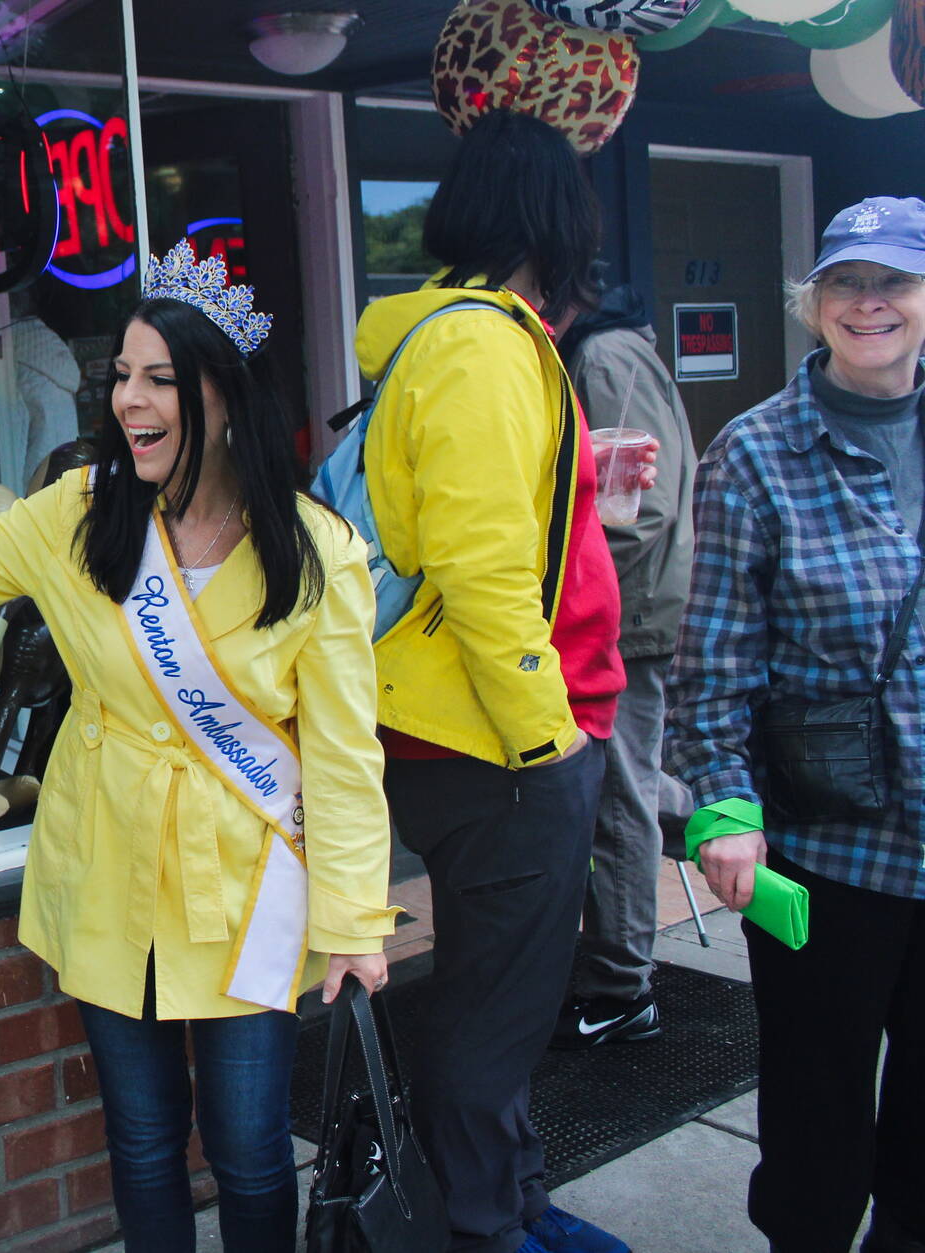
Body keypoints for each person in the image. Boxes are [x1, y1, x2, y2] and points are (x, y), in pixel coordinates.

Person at [0, 240, 397, 1252]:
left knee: (250, 1150)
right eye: (119, 375)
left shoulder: (313, 551)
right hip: (108, 872)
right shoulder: (79, 514)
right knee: (143, 1140)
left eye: (159, 378)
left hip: (243, 887)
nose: (128, 399)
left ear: (224, 395)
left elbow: (341, 755)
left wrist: (352, 924)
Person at [354, 110, 631, 1253]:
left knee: (503, 994)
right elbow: (474, 567)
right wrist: (543, 741)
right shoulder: (476, 344)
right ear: (554, 216)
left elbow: (486, 527)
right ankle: (481, 1229)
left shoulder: (467, 337)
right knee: (491, 1006)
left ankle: (511, 1201)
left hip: (472, 733)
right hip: (495, 744)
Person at [669, 196, 925, 1253]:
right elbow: (712, 662)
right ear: (812, 304)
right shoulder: (754, 455)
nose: (867, 303)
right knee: (816, 1113)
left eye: (892, 282)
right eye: (843, 284)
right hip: (828, 849)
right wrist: (722, 808)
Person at [549, 283, 696, 1049]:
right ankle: (703, 811)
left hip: (625, 616)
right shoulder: (614, 344)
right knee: (626, 787)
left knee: (621, 797)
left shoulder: (602, 354)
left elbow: (635, 507)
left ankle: (621, 987)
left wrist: (569, 586)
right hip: (627, 609)